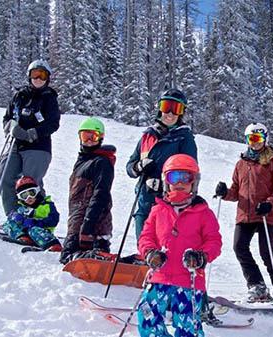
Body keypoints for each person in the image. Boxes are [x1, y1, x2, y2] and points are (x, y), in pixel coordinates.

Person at [137, 154, 222, 337]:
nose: (180, 183)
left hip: (189, 280)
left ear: (194, 182)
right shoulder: (158, 210)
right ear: (166, 181)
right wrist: (150, 253)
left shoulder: (203, 213)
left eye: (186, 177)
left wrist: (201, 256)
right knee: (147, 314)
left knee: (187, 325)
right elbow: (146, 237)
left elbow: (214, 241)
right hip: (160, 277)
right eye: (174, 177)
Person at [214, 122, 273, 304]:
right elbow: (236, 191)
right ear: (247, 140)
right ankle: (256, 285)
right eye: (251, 139)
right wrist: (225, 192)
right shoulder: (241, 163)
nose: (255, 143)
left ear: (265, 139)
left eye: (258, 138)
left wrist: (269, 204)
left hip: (265, 214)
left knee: (266, 252)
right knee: (239, 247)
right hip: (245, 214)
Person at [126, 88, 197, 241]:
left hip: (169, 205)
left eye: (175, 109)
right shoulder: (148, 137)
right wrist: (138, 167)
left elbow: (190, 171)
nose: (170, 113)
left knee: (163, 248)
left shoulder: (184, 138)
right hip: (144, 201)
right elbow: (130, 166)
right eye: (166, 107)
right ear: (159, 109)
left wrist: (163, 185)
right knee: (144, 244)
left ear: (181, 113)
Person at [0, 60, 61, 216]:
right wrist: (11, 128)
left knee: (30, 183)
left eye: (42, 75)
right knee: (4, 177)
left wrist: (32, 133)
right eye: (35, 75)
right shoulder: (20, 96)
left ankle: (39, 219)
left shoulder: (49, 98)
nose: (38, 79)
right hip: (16, 144)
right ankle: (14, 218)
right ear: (29, 76)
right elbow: (7, 117)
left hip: (38, 147)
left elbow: (53, 124)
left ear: (48, 79)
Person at [59, 118, 116, 265]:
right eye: (85, 136)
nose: (89, 140)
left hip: (92, 222)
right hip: (78, 221)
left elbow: (101, 194)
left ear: (101, 138)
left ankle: (109, 259)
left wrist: (88, 226)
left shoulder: (101, 162)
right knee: (68, 259)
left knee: (70, 259)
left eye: (94, 136)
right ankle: (99, 257)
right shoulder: (83, 161)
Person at [3, 176, 61, 251]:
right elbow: (11, 216)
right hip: (26, 233)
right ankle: (23, 237)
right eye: (24, 196)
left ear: (37, 192)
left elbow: (54, 219)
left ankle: (52, 244)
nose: (29, 197)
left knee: (33, 230)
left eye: (31, 193)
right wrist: (14, 216)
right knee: (8, 224)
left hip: (42, 232)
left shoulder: (47, 205)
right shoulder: (22, 208)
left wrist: (38, 222)